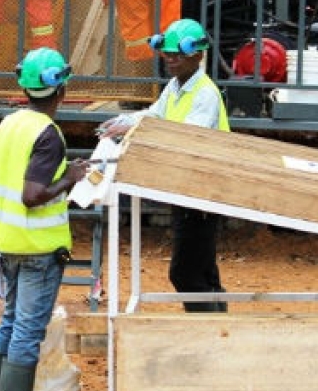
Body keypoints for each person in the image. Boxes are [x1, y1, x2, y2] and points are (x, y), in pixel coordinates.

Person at [0, 47, 89, 391]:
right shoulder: (48, 134)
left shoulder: (10, 124)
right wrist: (71, 178)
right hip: (38, 247)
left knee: (9, 325)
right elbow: (32, 193)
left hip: (9, 242)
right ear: (60, 87)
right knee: (26, 331)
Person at [98, 18, 230, 311]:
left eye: (177, 54)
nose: (170, 59)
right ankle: (219, 327)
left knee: (185, 273)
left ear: (197, 54)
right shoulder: (176, 85)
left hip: (202, 192)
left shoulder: (204, 94)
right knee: (203, 268)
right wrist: (126, 122)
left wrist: (137, 135)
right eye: (167, 53)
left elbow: (182, 138)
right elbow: (156, 114)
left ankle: (208, 330)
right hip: (186, 187)